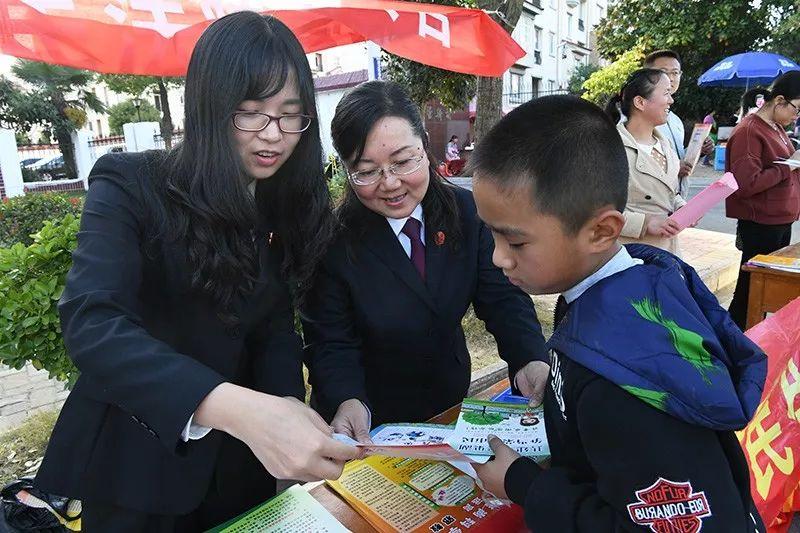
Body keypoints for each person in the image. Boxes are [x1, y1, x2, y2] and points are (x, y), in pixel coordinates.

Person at [34, 12, 359, 530]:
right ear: (209, 107)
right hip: (137, 471)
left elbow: (273, 330)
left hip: (242, 470)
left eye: (290, 115)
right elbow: (92, 324)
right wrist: (235, 409)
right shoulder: (130, 185)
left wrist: (298, 426)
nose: (273, 135)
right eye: (251, 113)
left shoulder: (280, 205)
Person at [469, 94, 766, 532]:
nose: (498, 259)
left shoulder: (625, 380)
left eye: (515, 242)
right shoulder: (638, 284)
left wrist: (524, 484)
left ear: (602, 231)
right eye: (491, 235)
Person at [302, 81, 549, 438]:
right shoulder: (331, 240)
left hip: (446, 403)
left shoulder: (466, 213)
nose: (390, 183)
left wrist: (529, 358)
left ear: (425, 147)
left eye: (403, 161)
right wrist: (347, 399)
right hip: (367, 420)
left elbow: (502, 297)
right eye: (367, 171)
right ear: (346, 169)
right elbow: (330, 341)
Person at [726, 71, 800, 329]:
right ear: (779, 100)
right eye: (796, 108)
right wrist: (788, 167)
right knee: (750, 289)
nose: (796, 116)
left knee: (767, 288)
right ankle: (735, 341)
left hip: (780, 219)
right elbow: (747, 183)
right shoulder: (749, 130)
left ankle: (752, 338)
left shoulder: (777, 128)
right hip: (761, 222)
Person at [606, 68, 686, 254]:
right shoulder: (612, 148)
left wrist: (683, 208)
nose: (671, 100)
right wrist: (645, 223)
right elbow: (596, 211)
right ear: (640, 102)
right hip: (630, 255)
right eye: (666, 93)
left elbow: (669, 193)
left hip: (668, 252)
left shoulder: (664, 145)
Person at [644, 50, 714, 195]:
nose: (670, 78)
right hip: (651, 203)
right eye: (663, 72)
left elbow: (677, 157)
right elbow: (636, 160)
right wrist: (675, 168)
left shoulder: (675, 120)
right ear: (646, 75)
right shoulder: (639, 115)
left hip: (676, 200)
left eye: (675, 73)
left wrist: (698, 150)